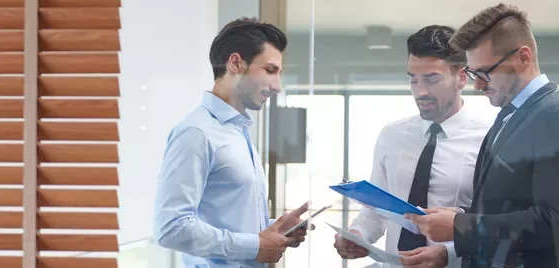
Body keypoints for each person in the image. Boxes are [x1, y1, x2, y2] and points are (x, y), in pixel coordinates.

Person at [405, 3, 559, 268]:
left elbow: (556, 223)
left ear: (523, 57)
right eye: (474, 73)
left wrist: (461, 226)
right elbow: (507, 211)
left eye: (485, 72)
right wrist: (460, 221)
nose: (477, 85)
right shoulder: (510, 115)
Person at [153, 17, 312, 268]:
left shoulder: (238, 133)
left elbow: (227, 219)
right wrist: (256, 246)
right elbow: (171, 228)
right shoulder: (196, 133)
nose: (277, 86)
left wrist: (274, 229)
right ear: (236, 63)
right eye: (270, 70)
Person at [333, 25, 492, 268]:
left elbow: (493, 224)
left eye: (431, 79)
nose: (420, 91)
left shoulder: (489, 139)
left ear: (461, 77)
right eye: (413, 79)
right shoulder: (392, 135)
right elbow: (377, 209)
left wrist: (446, 253)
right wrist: (358, 234)